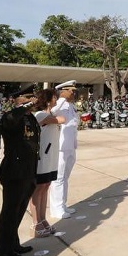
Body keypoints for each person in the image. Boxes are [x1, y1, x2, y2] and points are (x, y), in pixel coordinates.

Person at [0, 84, 39, 256]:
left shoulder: (31, 119)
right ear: (18, 101)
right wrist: (26, 107)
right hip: (14, 171)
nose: (31, 102)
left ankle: (13, 243)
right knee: (9, 211)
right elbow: (10, 120)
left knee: (19, 210)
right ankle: (3, 250)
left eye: (32, 98)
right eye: (27, 99)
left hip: (28, 170)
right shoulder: (11, 116)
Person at [31, 89, 63, 237]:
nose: (56, 100)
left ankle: (43, 219)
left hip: (51, 158)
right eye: (54, 97)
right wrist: (57, 116)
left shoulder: (49, 114)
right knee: (38, 189)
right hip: (43, 158)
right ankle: (36, 222)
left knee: (46, 186)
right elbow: (61, 120)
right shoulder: (41, 115)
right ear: (48, 100)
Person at [50, 80, 79, 220]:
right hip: (60, 147)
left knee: (65, 177)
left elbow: (73, 125)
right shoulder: (58, 104)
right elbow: (51, 112)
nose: (73, 93)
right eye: (71, 90)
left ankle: (63, 204)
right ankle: (56, 209)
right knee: (58, 178)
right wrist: (61, 99)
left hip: (69, 147)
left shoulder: (71, 106)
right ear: (63, 91)